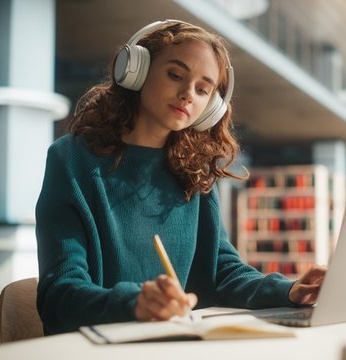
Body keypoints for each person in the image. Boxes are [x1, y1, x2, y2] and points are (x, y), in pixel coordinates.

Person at [35, 19, 326, 335]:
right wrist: (134, 304)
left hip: (176, 345)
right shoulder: (72, 159)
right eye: (175, 75)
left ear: (210, 107)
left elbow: (224, 272)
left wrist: (289, 290)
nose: (188, 94)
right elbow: (60, 291)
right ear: (137, 70)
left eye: (203, 89)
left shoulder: (195, 172)